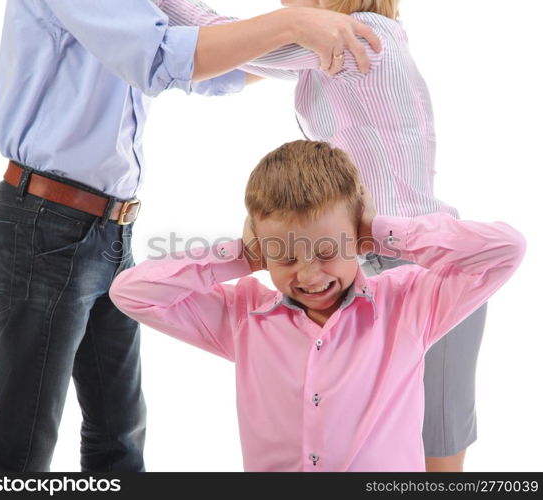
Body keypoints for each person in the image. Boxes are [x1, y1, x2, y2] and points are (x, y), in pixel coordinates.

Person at [0, 0, 381, 472]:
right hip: (47, 221)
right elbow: (160, 58)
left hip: (110, 225)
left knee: (119, 428)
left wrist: (306, 48)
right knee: (25, 434)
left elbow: (207, 68)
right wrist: (293, 24)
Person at [153, 0, 487, 472]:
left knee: (438, 453)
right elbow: (240, 53)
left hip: (416, 265)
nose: (280, 5)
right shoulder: (335, 48)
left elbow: (228, 36)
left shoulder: (361, 38)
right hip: (358, 262)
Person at [109, 140, 526, 472]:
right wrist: (242, 256)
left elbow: (506, 249)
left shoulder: (409, 303)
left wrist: (381, 230)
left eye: (328, 252)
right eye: (286, 258)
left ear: (358, 238)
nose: (309, 275)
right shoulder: (244, 317)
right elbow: (131, 292)